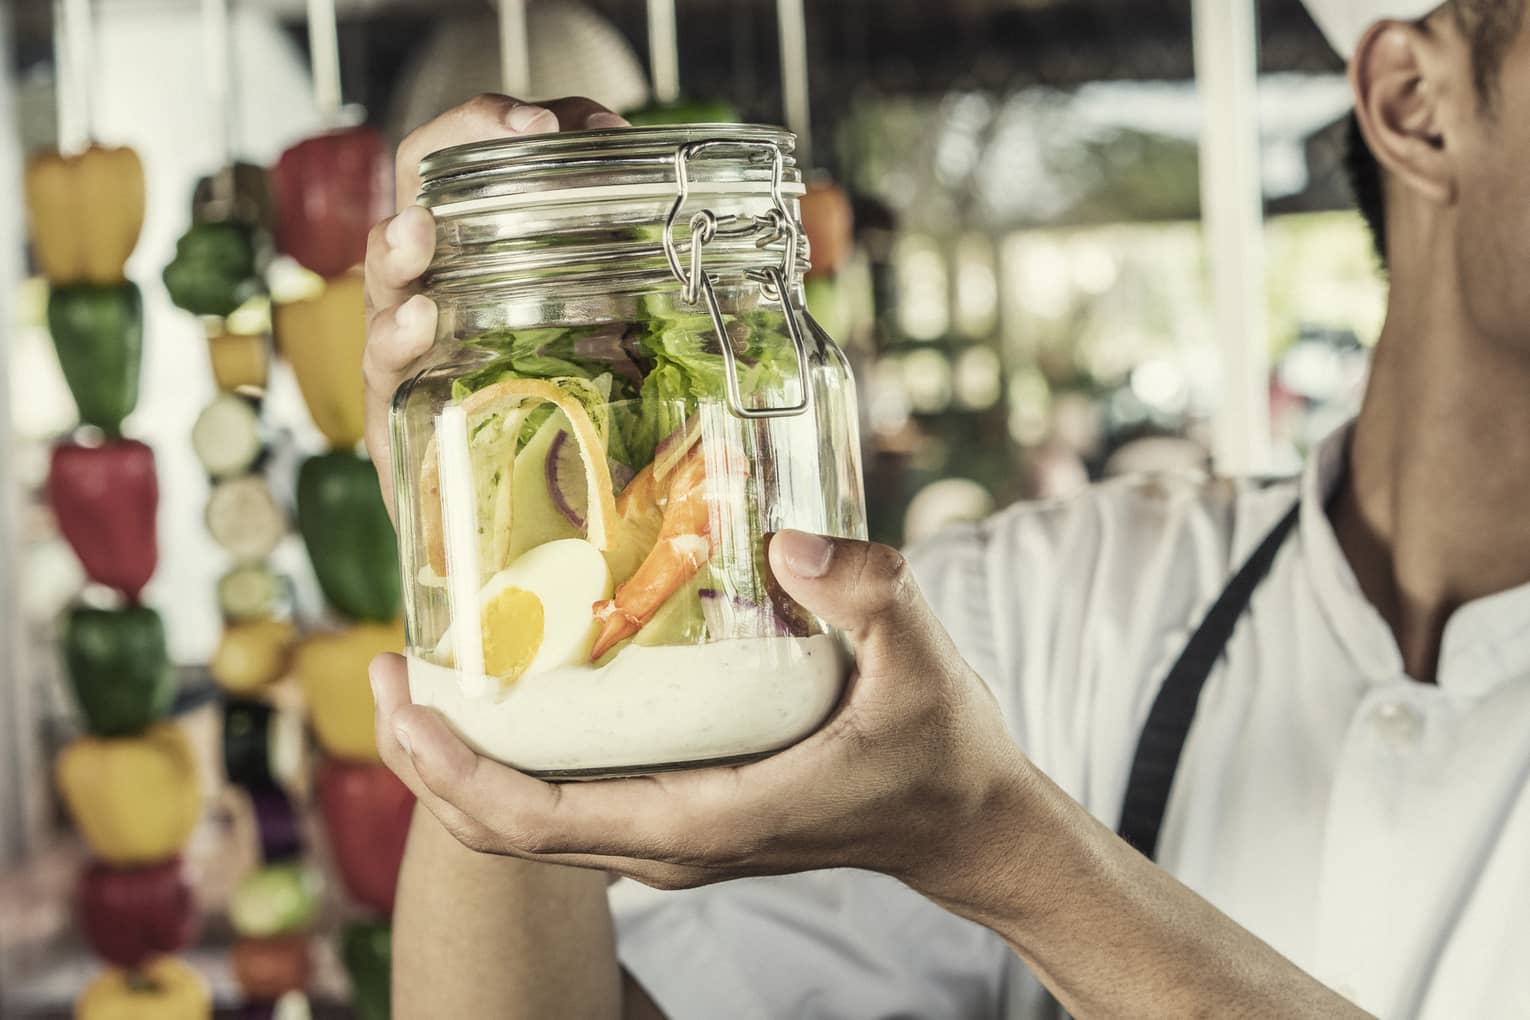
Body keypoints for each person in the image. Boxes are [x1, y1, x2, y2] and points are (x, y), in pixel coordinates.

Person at [359, 0, 1530, 1015]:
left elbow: (984, 825)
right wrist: (502, 543)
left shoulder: (953, 746)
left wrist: (1002, 846)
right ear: (1416, 103)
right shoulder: (1043, 605)